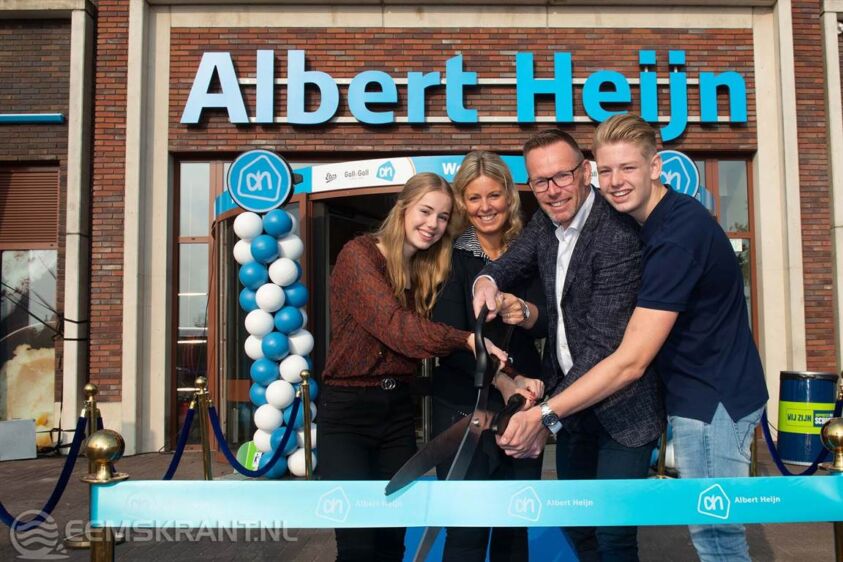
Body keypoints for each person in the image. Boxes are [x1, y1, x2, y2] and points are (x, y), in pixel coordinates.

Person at [495, 114, 768, 562]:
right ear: (593, 173)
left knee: (717, 541)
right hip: (692, 394)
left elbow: (631, 360)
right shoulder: (656, 220)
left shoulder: (677, 236)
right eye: (607, 170)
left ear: (656, 166)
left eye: (628, 168)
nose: (615, 181)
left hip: (712, 400)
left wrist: (544, 415)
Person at [472, 130, 664, 561]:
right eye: (540, 181)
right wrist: (486, 281)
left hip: (623, 409)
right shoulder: (545, 222)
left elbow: (602, 347)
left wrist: (545, 416)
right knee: (577, 524)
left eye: (561, 176)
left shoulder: (617, 233)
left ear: (585, 171)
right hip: (572, 410)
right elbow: (511, 262)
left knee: (613, 534)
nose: (552, 190)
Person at [317, 172, 508, 562]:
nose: (433, 225)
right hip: (347, 414)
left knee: (392, 541)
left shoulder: (425, 271)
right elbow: (396, 328)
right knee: (358, 545)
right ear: (403, 209)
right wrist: (466, 339)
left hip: (397, 414)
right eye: (425, 211)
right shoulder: (360, 255)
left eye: (442, 218)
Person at [431, 151, 546, 562]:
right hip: (463, 406)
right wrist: (502, 376)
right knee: (466, 531)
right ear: (462, 202)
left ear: (509, 197)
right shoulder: (449, 256)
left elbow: (548, 322)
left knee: (515, 530)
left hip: (524, 406)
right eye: (474, 198)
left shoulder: (532, 250)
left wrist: (526, 313)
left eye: (494, 195)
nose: (485, 207)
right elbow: (448, 336)